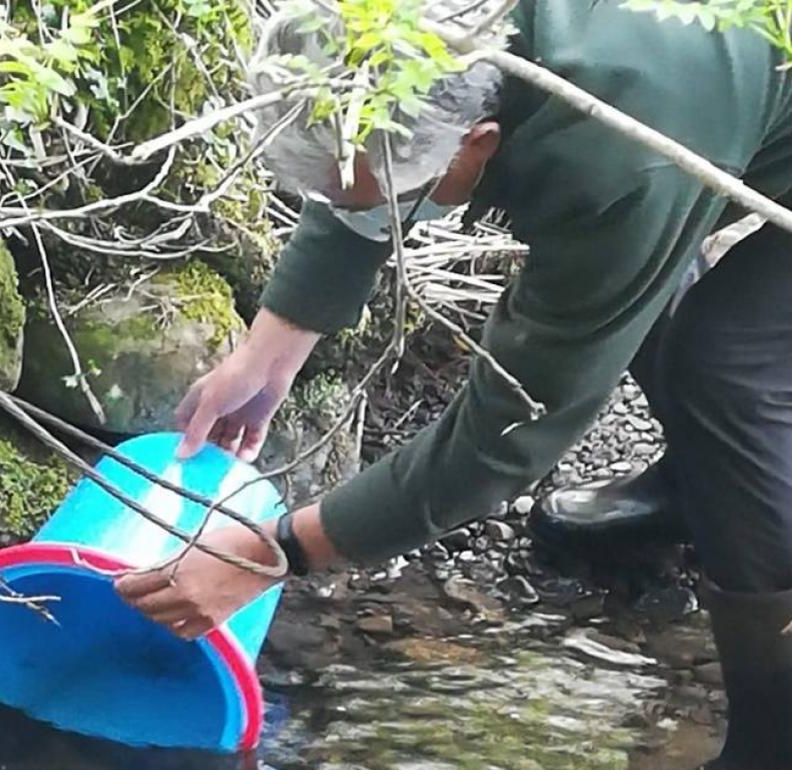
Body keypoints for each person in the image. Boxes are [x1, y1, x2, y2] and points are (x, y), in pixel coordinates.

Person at [113, 0, 792, 767]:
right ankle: (698, 493)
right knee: (633, 280)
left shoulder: (619, 156)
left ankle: (776, 724)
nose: (376, 216)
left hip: (697, 107)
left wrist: (278, 553)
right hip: (708, 96)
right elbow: (365, 157)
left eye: (388, 204)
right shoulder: (408, 30)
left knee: (731, 368)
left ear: (479, 145)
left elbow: (508, 435)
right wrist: (270, 347)